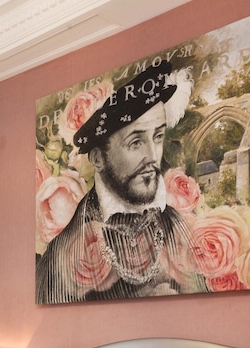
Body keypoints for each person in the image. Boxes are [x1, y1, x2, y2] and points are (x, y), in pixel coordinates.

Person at [36, 62, 205, 303]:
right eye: (135, 142)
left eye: (158, 137)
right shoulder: (62, 253)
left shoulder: (176, 225)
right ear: (98, 158)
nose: (152, 156)